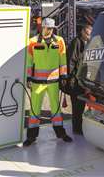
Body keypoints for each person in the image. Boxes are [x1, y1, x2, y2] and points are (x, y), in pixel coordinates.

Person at [24, 18, 72, 146]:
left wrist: (64, 76)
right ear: (42, 27)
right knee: (35, 110)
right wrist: (28, 77)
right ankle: (31, 137)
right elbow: (29, 61)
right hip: (37, 82)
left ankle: (61, 133)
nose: (49, 30)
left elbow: (63, 59)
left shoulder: (59, 41)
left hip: (54, 82)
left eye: (51, 28)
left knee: (56, 109)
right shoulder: (32, 42)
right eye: (47, 28)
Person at [67, 23, 92, 135]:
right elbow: (71, 62)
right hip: (76, 81)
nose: (88, 36)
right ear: (82, 32)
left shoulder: (87, 43)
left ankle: (79, 126)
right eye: (87, 34)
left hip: (83, 80)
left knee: (81, 105)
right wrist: (72, 79)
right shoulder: (76, 42)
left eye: (90, 34)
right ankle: (77, 129)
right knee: (77, 106)